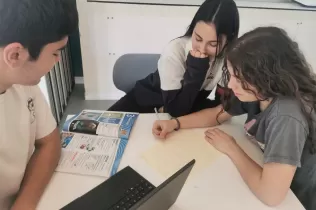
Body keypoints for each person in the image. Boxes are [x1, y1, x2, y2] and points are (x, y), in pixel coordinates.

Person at [152, 27, 316, 210]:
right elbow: (217, 114)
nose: (230, 84)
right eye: (231, 75)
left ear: (268, 77)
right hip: (270, 170)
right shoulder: (258, 91)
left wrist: (232, 149)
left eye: (239, 78)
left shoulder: (286, 116)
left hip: (297, 198)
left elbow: (271, 196)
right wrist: (175, 123)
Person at [0, 0, 78, 209]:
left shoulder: (22, 82)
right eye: (55, 52)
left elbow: (49, 142)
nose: (58, 61)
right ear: (15, 55)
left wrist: (24, 204)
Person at [108, 0, 239, 117]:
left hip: (173, 114)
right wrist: (197, 69)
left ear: (229, 40)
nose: (202, 49)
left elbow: (221, 106)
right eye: (198, 38)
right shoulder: (175, 50)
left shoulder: (228, 59)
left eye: (213, 44)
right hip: (142, 103)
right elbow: (176, 110)